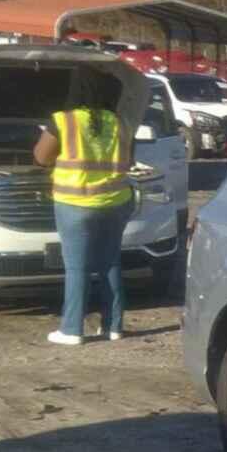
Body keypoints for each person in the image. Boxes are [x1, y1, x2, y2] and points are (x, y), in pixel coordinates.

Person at [33, 76, 133, 345]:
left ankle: (72, 329)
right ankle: (113, 327)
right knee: (110, 263)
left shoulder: (64, 120)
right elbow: (128, 159)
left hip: (75, 203)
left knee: (77, 267)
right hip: (116, 200)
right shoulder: (120, 122)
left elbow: (41, 157)